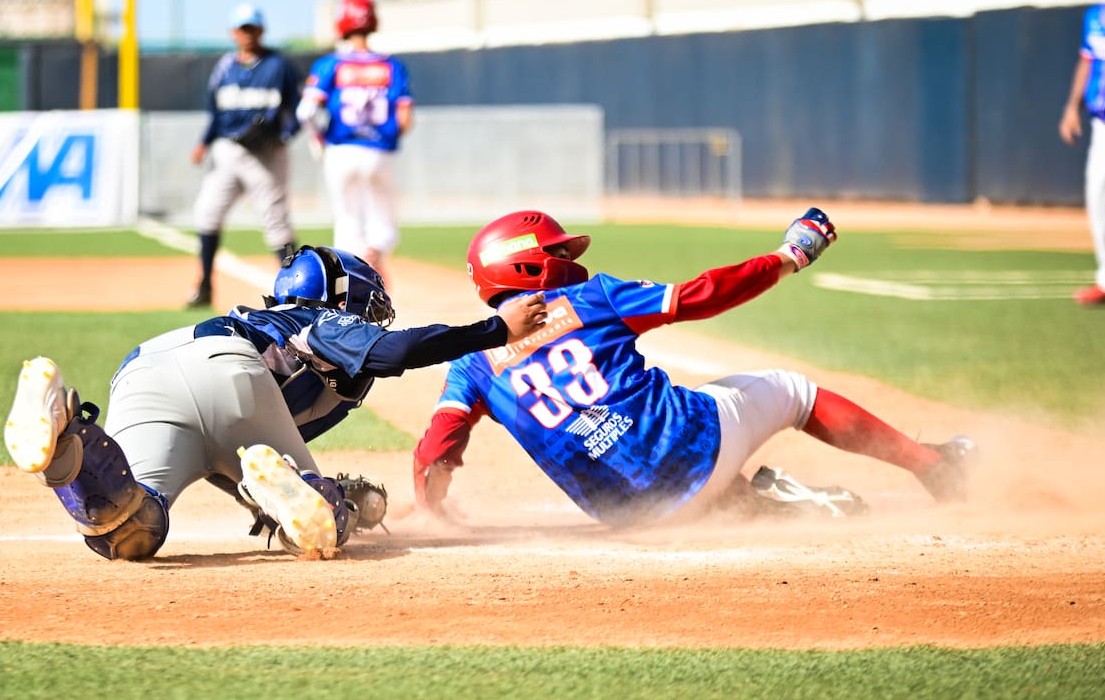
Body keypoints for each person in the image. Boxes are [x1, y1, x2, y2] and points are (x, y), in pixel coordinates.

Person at [412, 208, 977, 527]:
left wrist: (434, 507)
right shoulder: (592, 298)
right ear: (525, 261)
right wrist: (789, 257)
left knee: (688, 479)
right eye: (557, 252)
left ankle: (779, 502)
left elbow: (437, 446)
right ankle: (933, 467)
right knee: (792, 393)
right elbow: (700, 296)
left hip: (630, 516)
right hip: (697, 449)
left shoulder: (470, 362)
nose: (568, 258)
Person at [4, 247, 548, 561]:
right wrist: (496, 330)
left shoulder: (266, 316)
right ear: (345, 298)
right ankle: (316, 497)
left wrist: (263, 492)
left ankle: (67, 438)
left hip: (140, 370)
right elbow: (397, 351)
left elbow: (227, 451)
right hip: (230, 367)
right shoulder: (321, 319)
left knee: (127, 529)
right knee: (327, 523)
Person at [187, 3, 303, 309]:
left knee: (276, 221)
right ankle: (205, 285)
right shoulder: (224, 67)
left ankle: (300, 290)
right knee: (207, 213)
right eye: (242, 28)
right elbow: (215, 112)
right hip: (228, 149)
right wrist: (204, 142)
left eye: (252, 28)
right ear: (233, 32)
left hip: (266, 154)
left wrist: (283, 136)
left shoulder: (279, 65)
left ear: (261, 30)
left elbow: (299, 109)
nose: (247, 34)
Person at [297, 0, 413, 291]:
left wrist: (318, 139)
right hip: (379, 151)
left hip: (341, 149)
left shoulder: (330, 64)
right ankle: (377, 251)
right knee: (382, 217)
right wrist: (388, 138)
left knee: (347, 218)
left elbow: (306, 111)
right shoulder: (392, 66)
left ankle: (348, 285)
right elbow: (405, 118)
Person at [1059, 3, 1105, 307]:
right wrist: (1071, 107)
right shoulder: (1095, 16)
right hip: (1101, 122)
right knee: (1097, 195)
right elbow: (1087, 60)